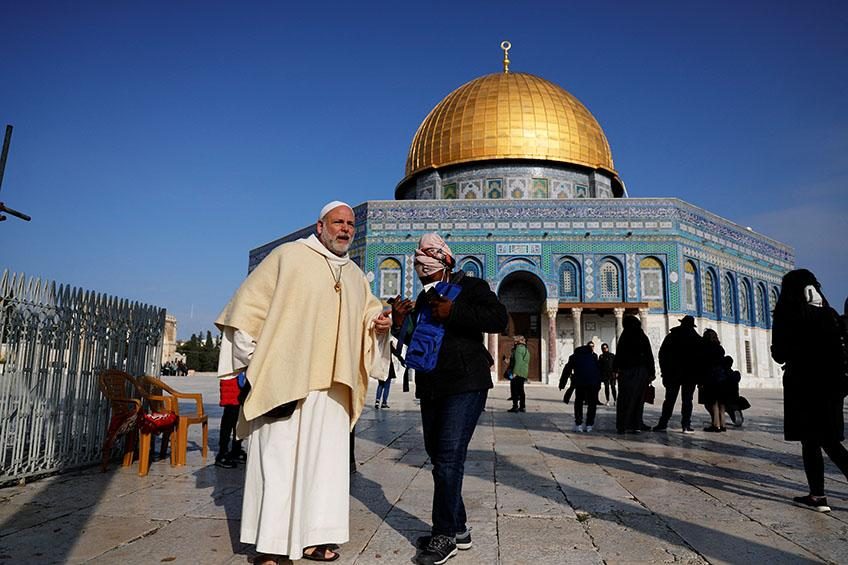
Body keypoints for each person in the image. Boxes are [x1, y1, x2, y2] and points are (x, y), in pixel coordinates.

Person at [215, 201, 392, 563]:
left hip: (333, 388)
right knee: (278, 464)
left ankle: (315, 538)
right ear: (320, 225)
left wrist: (379, 324)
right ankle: (271, 545)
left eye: (350, 224)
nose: (344, 229)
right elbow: (248, 310)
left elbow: (369, 313)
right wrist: (259, 364)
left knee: (324, 468)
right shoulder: (289, 257)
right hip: (287, 381)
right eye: (337, 222)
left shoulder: (356, 275)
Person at [390, 232, 508, 565]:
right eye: (418, 258)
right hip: (432, 386)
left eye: (429, 256)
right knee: (437, 454)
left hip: (466, 381)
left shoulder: (471, 287)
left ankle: (444, 535)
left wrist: (454, 311)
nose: (420, 262)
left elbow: (499, 319)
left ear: (446, 260)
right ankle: (458, 528)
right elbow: (416, 341)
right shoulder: (423, 299)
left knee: (448, 456)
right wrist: (400, 325)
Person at [771, 268, 848, 513]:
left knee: (810, 442)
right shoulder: (830, 314)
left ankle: (818, 496)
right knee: (831, 442)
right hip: (831, 385)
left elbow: (779, 352)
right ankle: (817, 496)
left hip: (802, 385)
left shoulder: (787, 314)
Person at [653, 316, 702, 434]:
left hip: (673, 374)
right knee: (687, 400)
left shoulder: (671, 336)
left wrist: (664, 371)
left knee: (669, 400)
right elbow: (700, 359)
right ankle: (686, 425)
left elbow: (662, 355)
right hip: (689, 375)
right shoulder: (696, 339)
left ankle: (663, 423)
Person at [614, 316, 655, 434]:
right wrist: (651, 372)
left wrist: (615, 369)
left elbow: (619, 354)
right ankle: (636, 424)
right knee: (637, 399)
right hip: (639, 372)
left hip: (626, 372)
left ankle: (623, 425)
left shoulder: (625, 337)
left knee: (625, 399)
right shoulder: (641, 336)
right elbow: (649, 355)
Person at [560, 344, 601, 432]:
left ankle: (578, 424)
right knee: (592, 404)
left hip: (580, 383)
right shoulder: (593, 357)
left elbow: (566, 370)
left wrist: (562, 383)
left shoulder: (574, 357)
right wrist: (598, 384)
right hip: (593, 383)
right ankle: (589, 425)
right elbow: (598, 370)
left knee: (579, 401)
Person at [699, 328, 727, 432]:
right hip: (721, 377)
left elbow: (703, 365)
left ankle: (716, 425)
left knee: (712, 402)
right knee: (721, 402)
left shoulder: (705, 349)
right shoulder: (720, 348)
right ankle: (722, 424)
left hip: (710, 377)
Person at [215, 371, 244, 468]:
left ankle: (236, 449)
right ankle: (222, 453)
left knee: (239, 420)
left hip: (238, 382)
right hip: (231, 383)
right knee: (229, 419)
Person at [375, 337, 401, 409]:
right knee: (386, 386)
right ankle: (384, 403)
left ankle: (377, 402)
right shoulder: (389, 344)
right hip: (388, 366)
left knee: (380, 385)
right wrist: (402, 360)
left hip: (380, 366)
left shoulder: (379, 344)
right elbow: (396, 353)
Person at [507, 336, 530, 413]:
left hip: (518, 372)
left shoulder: (518, 349)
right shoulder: (526, 349)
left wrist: (515, 373)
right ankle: (522, 406)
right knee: (521, 390)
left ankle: (515, 406)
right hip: (523, 372)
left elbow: (518, 361)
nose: (513, 342)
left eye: (515, 340)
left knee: (515, 389)